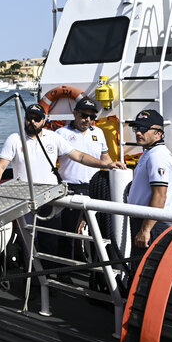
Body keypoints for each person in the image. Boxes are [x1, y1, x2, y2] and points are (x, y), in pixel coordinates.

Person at [0, 103, 124, 259]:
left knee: (51, 240)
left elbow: (79, 156)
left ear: (44, 120)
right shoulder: (15, 139)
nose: (32, 122)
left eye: (37, 118)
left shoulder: (53, 138)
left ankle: (51, 276)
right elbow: (0, 167)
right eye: (29, 118)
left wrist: (106, 164)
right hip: (25, 198)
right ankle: (32, 281)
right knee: (29, 242)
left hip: (50, 198)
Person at [55, 97, 111, 257]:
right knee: (68, 232)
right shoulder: (62, 133)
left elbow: (105, 157)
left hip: (95, 188)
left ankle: (97, 267)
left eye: (92, 117)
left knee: (99, 232)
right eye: (84, 115)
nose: (88, 120)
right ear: (75, 113)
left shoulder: (99, 133)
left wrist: (112, 168)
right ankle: (64, 270)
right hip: (71, 188)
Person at [125, 109, 172, 250]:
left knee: (144, 268)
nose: (138, 133)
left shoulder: (158, 156)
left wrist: (145, 229)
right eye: (136, 128)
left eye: (143, 129)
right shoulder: (149, 153)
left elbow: (160, 196)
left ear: (158, 133)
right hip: (146, 220)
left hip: (152, 223)